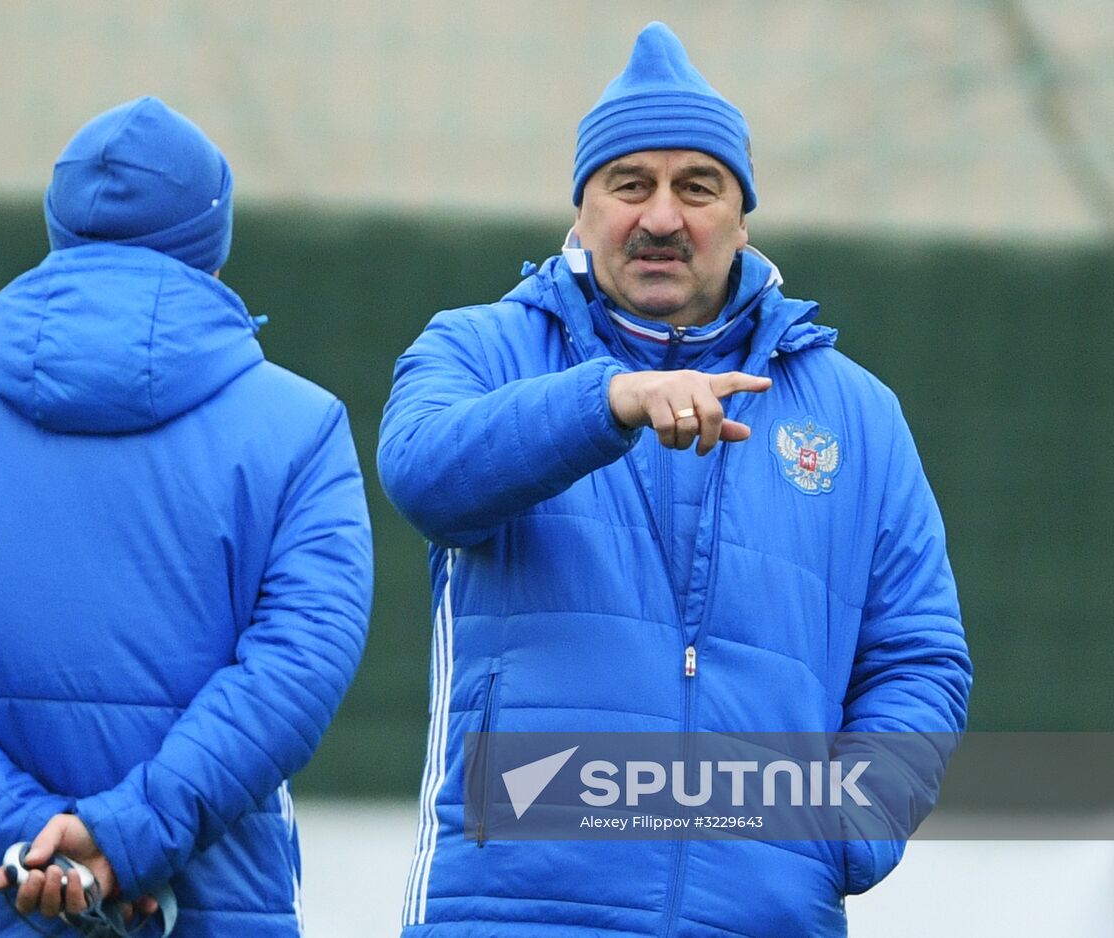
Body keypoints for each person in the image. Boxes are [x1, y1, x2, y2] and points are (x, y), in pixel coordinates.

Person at [378, 22, 971, 937]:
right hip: (514, 911)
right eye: (630, 185)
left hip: (766, 916)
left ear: (742, 217)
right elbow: (424, 475)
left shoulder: (857, 413)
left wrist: (846, 830)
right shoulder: (480, 347)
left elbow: (919, 657)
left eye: (697, 187)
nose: (661, 217)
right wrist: (607, 402)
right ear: (582, 211)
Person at [0, 96, 373, 937]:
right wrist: (124, 839)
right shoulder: (301, 425)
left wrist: (24, 837)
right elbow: (298, 665)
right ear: (211, 243)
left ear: (59, 225)